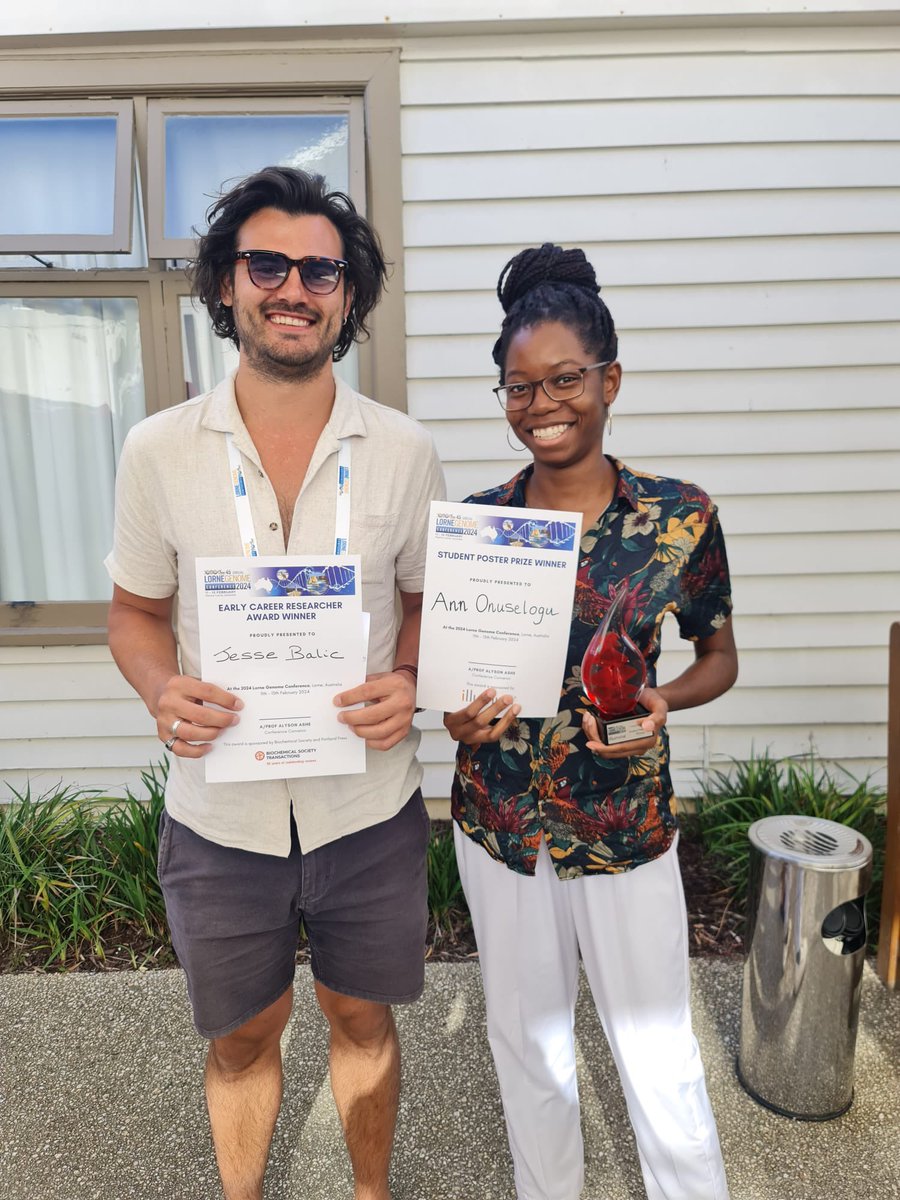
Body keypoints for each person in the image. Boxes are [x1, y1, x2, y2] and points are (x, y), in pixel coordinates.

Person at [105, 166, 444, 1200]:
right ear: (224, 285)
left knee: (361, 1017)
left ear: (348, 299)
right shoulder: (158, 451)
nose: (294, 288)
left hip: (367, 804)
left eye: (322, 271)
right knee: (244, 1037)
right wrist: (162, 690)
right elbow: (135, 616)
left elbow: (429, 603)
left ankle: (370, 1193)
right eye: (268, 264)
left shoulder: (402, 449)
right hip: (222, 817)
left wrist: (411, 677)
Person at [444, 243, 738, 1200]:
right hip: (501, 824)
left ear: (609, 378)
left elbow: (718, 659)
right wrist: (458, 718)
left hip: (622, 827)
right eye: (518, 388)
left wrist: (666, 700)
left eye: (564, 379)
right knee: (528, 1050)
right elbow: (452, 682)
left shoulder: (680, 518)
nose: (543, 405)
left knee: (657, 1056)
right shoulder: (482, 525)